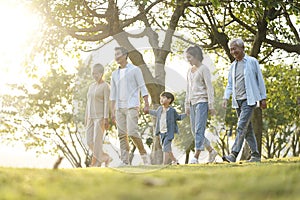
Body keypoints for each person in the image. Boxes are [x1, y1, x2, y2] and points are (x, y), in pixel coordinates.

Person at [222, 38, 267, 163]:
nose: (232, 51)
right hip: (237, 101)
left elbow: (260, 80)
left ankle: (233, 154)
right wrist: (226, 97)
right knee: (247, 129)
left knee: (241, 126)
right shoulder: (232, 66)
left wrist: (263, 97)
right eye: (231, 49)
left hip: (249, 100)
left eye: (234, 48)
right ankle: (256, 155)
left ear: (242, 48)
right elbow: (230, 84)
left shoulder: (252, 61)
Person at [110, 46, 150, 166]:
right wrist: (112, 111)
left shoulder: (135, 70)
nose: (116, 57)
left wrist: (146, 103)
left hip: (132, 105)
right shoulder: (114, 74)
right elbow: (113, 94)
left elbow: (142, 86)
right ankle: (124, 161)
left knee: (132, 132)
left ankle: (143, 155)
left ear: (125, 55)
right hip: (119, 108)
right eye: (115, 54)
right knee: (122, 135)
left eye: (118, 54)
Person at [185, 45, 218, 164]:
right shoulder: (189, 71)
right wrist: (187, 105)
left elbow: (210, 88)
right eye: (187, 58)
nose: (188, 60)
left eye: (190, 57)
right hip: (192, 103)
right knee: (195, 131)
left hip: (202, 102)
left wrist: (211, 105)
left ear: (196, 56)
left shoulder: (204, 69)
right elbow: (188, 89)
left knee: (199, 129)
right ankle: (211, 150)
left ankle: (196, 156)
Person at [147, 92, 186, 165]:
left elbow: (178, 117)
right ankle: (175, 161)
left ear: (169, 100)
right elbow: (155, 113)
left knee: (166, 147)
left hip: (169, 133)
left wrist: (186, 114)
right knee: (166, 148)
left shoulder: (172, 111)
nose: (161, 99)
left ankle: (164, 163)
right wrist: (148, 111)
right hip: (162, 132)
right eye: (161, 98)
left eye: (163, 97)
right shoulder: (159, 109)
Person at [85, 64, 112, 167]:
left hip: (100, 117)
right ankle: (105, 157)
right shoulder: (91, 86)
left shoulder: (105, 86)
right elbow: (88, 102)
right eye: (93, 73)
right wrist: (86, 117)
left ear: (101, 73)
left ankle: (96, 163)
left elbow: (106, 102)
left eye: (96, 73)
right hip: (90, 117)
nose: (94, 75)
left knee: (97, 141)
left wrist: (106, 118)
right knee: (89, 141)